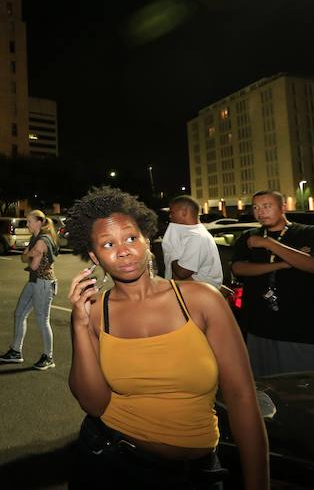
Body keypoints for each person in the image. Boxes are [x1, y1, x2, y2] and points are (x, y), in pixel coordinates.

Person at [66, 187, 268, 489]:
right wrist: (80, 325)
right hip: (109, 461)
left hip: (197, 474)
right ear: (95, 256)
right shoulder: (93, 311)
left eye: (131, 238)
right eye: (108, 244)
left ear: (147, 240)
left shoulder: (202, 300)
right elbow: (93, 404)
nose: (123, 250)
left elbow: (242, 397)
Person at [231, 190, 314, 377]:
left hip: (304, 329)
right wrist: (283, 264)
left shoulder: (310, 233)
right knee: (266, 385)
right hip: (260, 328)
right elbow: (238, 268)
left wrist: (269, 244)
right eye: (256, 207)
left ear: (283, 208)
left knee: (310, 385)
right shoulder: (249, 236)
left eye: (267, 206)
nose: (260, 212)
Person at [0, 210, 59, 370]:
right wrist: (30, 255)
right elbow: (24, 257)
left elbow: (33, 265)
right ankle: (16, 351)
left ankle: (48, 357)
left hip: (43, 284)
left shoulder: (42, 241)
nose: (27, 224)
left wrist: (30, 255)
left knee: (43, 320)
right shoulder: (35, 238)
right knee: (19, 313)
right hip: (34, 282)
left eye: (29, 221)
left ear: (38, 222)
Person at [162, 195, 223, 289]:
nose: (170, 216)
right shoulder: (195, 234)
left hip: (200, 293)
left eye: (172, 212)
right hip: (197, 291)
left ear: (184, 212)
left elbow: (182, 273)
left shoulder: (197, 237)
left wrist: (171, 252)